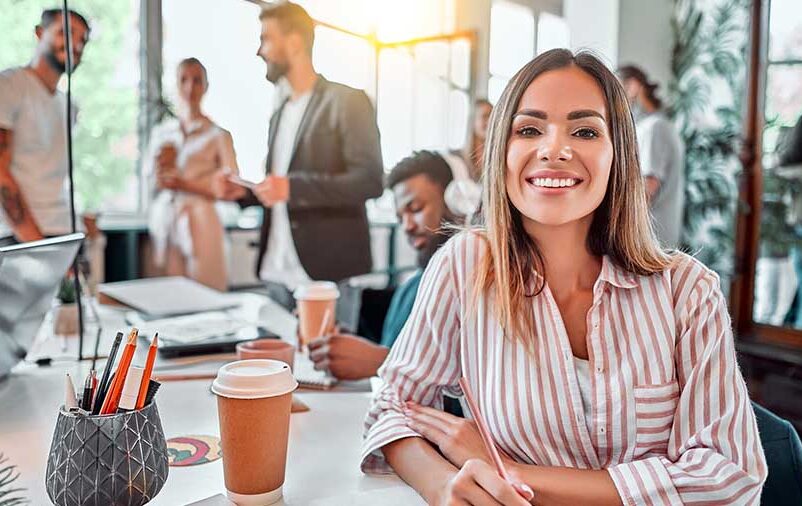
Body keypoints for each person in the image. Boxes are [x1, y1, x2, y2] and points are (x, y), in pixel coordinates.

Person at [362, 49, 766, 505]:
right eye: (529, 129)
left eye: (585, 131)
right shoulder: (467, 266)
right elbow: (392, 408)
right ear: (503, 152)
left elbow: (729, 475)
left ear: (619, 155)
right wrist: (443, 487)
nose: (554, 149)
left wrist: (511, 473)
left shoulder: (687, 290)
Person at [212, 1, 383, 306]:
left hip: (327, 274)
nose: (259, 51)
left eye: (266, 38)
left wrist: (293, 187)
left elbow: (369, 181)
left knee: (329, 356)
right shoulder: (279, 114)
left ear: (293, 43)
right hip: (276, 272)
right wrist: (243, 192)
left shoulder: (348, 101)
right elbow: (277, 190)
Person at [307, 151, 456, 380]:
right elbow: (392, 350)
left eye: (415, 209)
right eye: (400, 217)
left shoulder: (472, 289)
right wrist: (352, 350)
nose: (406, 226)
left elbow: (472, 392)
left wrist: (381, 361)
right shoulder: (411, 287)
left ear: (454, 200)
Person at [0, 9, 91, 246]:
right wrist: (37, 244)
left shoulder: (69, 105)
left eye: (83, 40)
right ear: (40, 33)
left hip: (66, 233)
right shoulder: (10, 85)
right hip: (22, 238)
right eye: (66, 33)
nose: (76, 45)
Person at [146, 58, 238, 291]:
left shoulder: (219, 135)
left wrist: (185, 184)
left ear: (206, 86)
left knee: (207, 292)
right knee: (169, 295)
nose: (190, 87)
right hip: (168, 221)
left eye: (197, 81)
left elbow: (232, 188)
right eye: (184, 80)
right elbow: (149, 182)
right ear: (175, 85)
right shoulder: (162, 134)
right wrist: (160, 176)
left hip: (202, 220)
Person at [618, 65, 684, 248]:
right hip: (654, 237)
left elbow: (648, 188)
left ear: (632, 86)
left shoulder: (654, 128)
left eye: (618, 90)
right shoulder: (656, 126)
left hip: (651, 239)